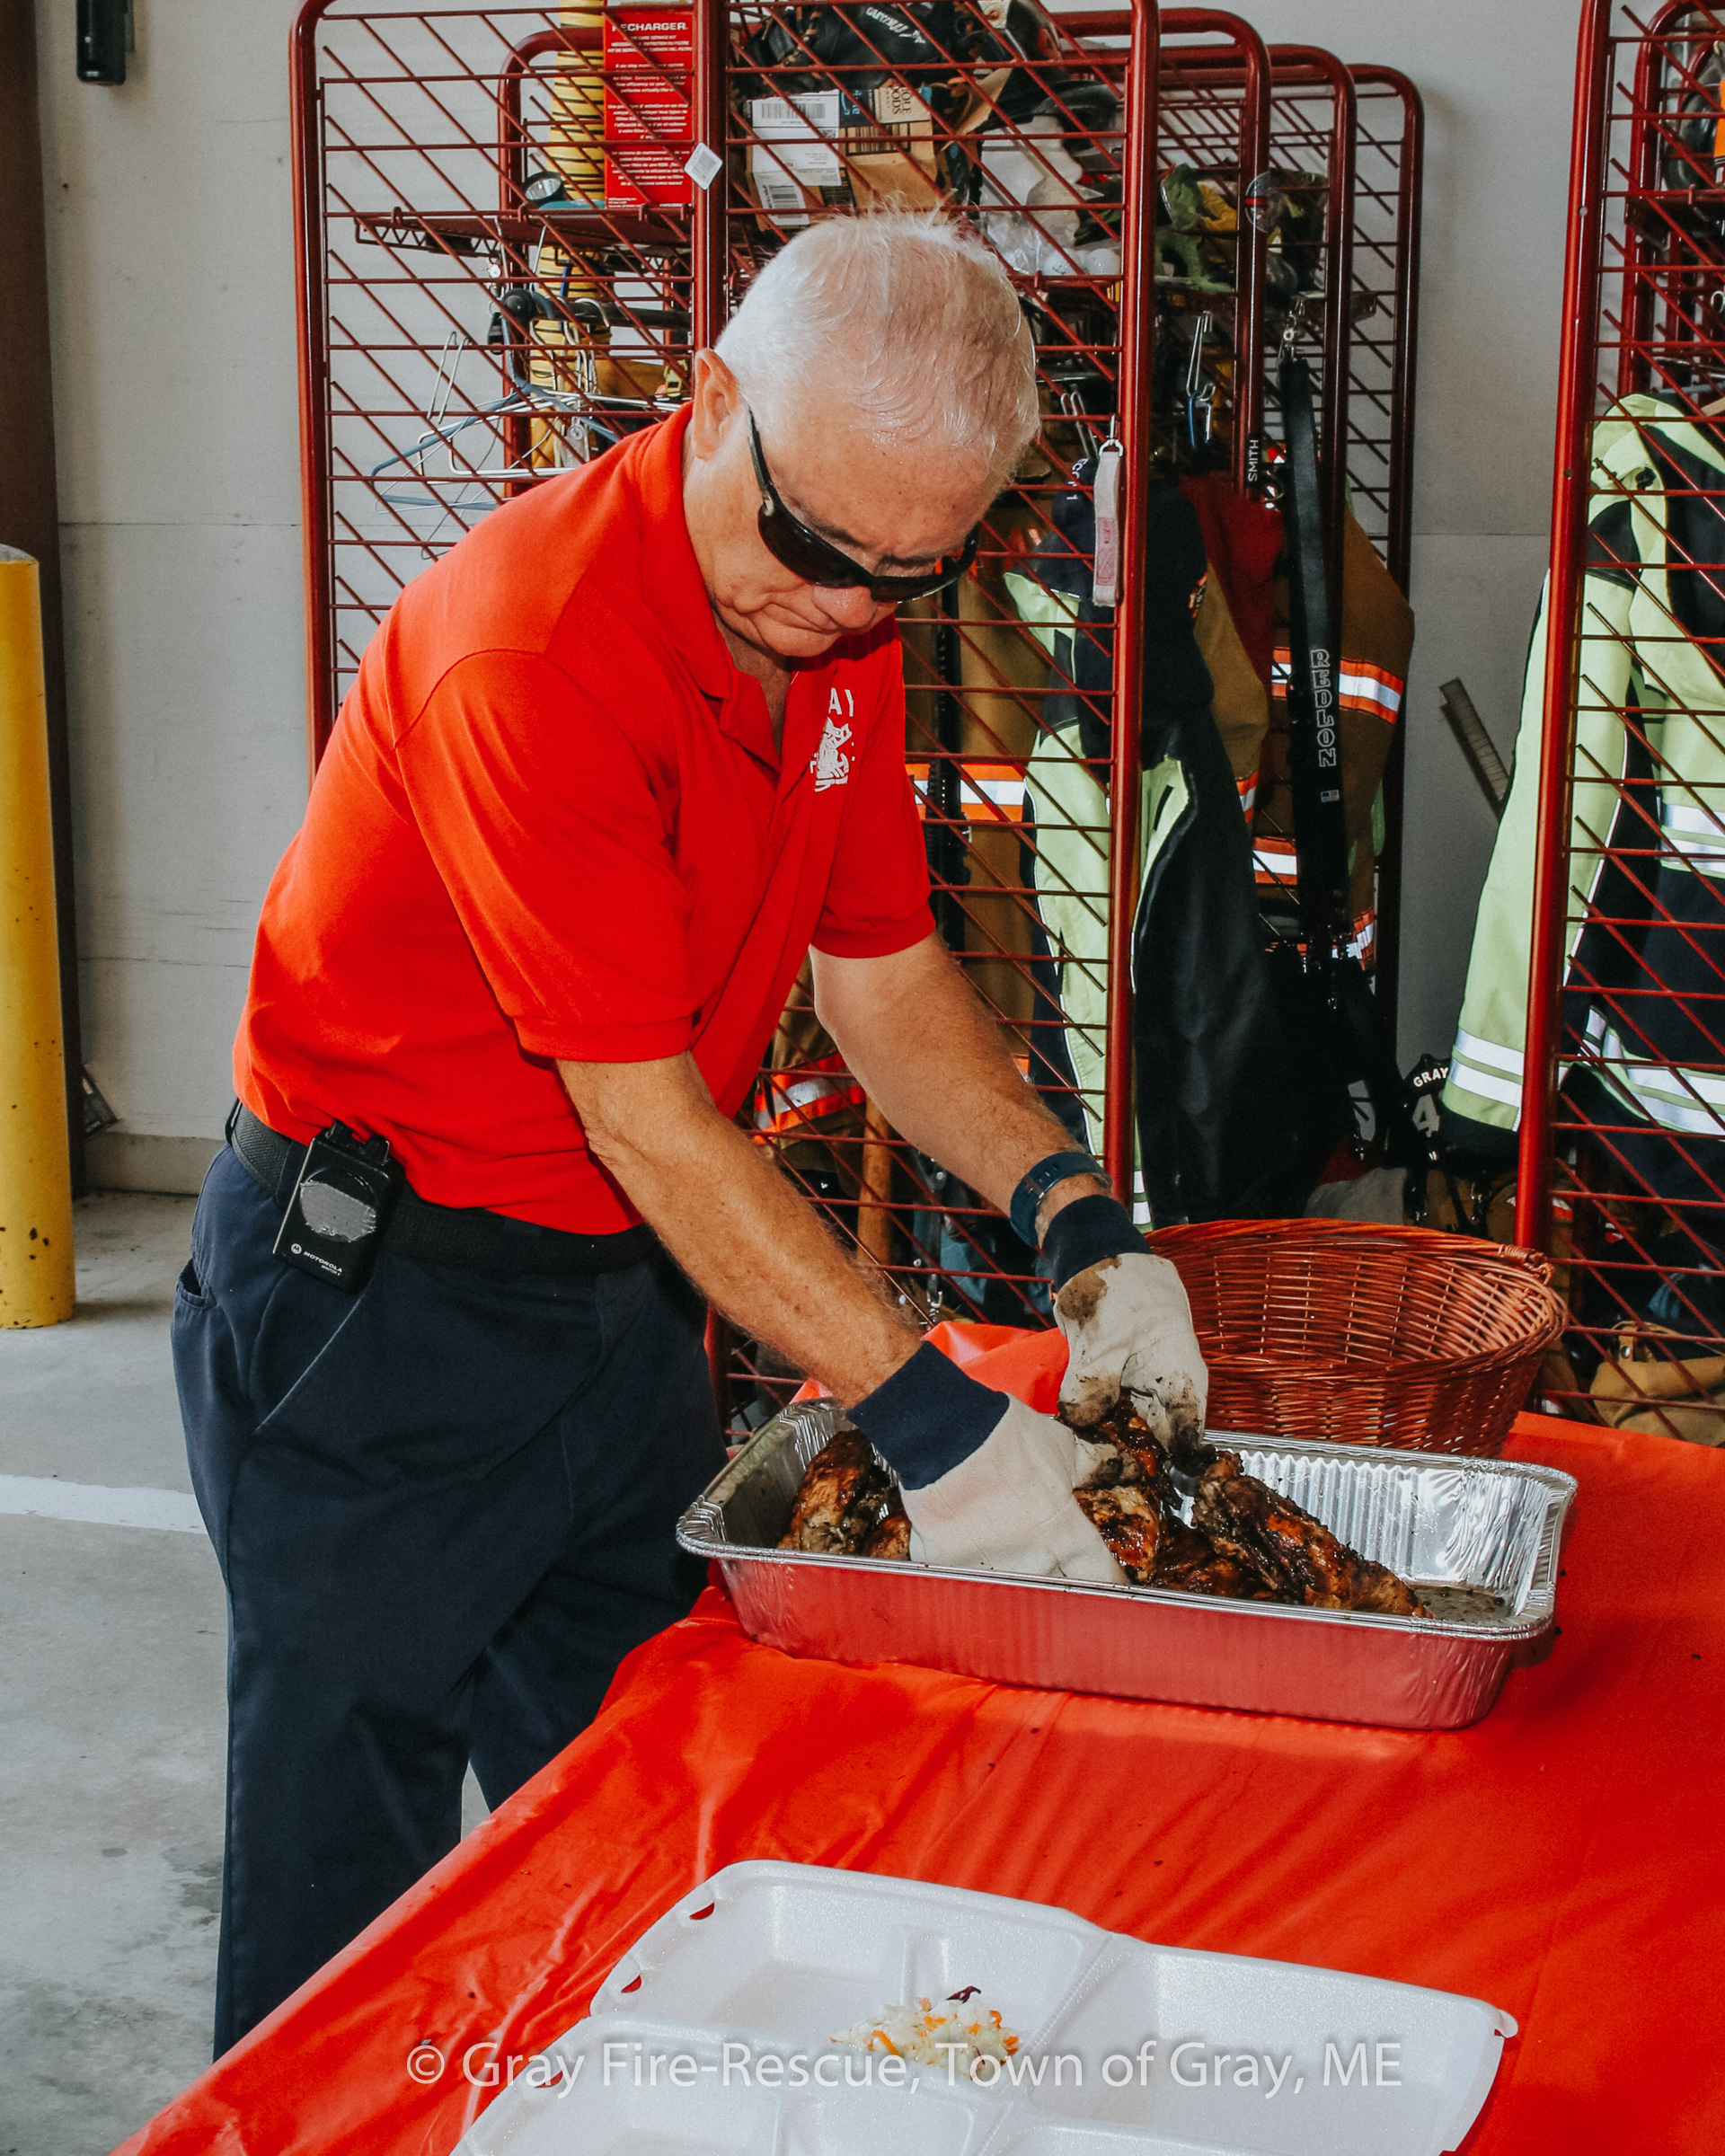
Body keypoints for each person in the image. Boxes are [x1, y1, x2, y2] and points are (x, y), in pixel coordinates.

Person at [172, 212, 1208, 2054]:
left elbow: (882, 973)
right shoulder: (533, 648)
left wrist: (1071, 1213)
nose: (849, 610)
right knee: (349, 1887)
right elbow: (649, 1122)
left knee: (653, 1809)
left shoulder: (836, 607)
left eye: (910, 574)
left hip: (618, 1295)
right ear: (711, 399)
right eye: (819, 549)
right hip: (383, 1306)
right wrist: (929, 1419)